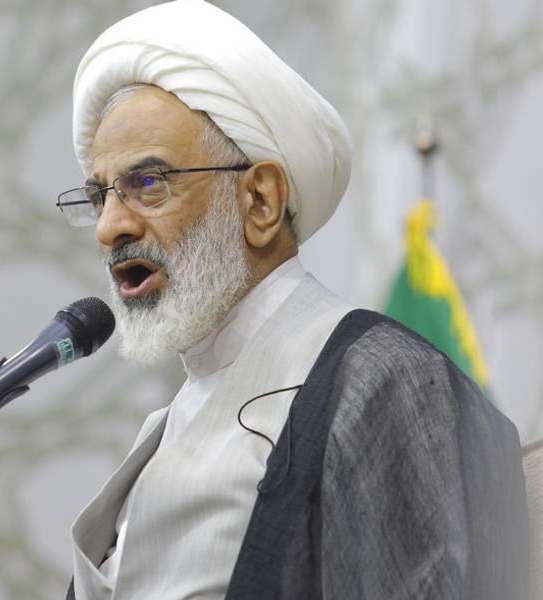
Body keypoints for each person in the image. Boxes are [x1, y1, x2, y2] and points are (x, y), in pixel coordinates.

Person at [55, 1, 528, 598]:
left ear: (261, 202)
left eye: (148, 183)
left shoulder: (384, 381)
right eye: (100, 196)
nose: (109, 227)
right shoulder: (168, 425)